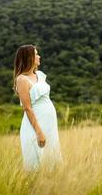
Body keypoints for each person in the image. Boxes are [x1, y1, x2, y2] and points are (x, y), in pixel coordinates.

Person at [12, 44, 63, 172]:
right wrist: (39, 132)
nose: (39, 56)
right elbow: (27, 108)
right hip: (35, 126)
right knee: (36, 163)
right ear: (29, 58)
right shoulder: (22, 79)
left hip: (49, 124)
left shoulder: (40, 75)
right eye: (36, 54)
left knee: (51, 159)